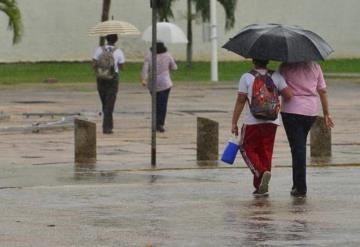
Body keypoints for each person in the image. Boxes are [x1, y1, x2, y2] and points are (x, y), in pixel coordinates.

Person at [231, 59, 292, 197]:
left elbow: (241, 100)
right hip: (272, 121)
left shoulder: (246, 77)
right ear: (267, 60)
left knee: (246, 148)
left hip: (252, 121)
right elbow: (289, 95)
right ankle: (260, 187)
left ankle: (261, 172)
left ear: (253, 60)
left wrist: (234, 122)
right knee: (266, 151)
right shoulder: (276, 76)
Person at [279, 61, 334, 197]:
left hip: (291, 111)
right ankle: (296, 184)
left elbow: (278, 86)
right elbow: (322, 90)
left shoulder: (285, 66)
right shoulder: (315, 66)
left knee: (297, 149)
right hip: (311, 112)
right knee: (299, 146)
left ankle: (300, 187)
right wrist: (327, 113)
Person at [141, 42, 177, 133]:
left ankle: (155, 122)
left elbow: (145, 70)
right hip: (165, 83)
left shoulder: (149, 56)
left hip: (153, 84)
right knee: (163, 104)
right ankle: (160, 123)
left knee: (155, 104)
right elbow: (174, 67)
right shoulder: (168, 55)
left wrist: (144, 80)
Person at [92, 34, 125, 134]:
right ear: (116, 40)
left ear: (106, 39)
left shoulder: (99, 50)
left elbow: (93, 64)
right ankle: (107, 127)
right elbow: (122, 67)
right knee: (110, 102)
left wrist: (100, 70)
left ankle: (107, 122)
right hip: (113, 78)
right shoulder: (118, 51)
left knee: (104, 101)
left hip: (101, 78)